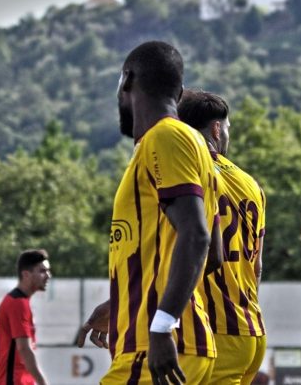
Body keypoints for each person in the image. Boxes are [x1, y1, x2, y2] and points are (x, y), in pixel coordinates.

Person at [75, 41, 221, 385]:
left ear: (126, 80)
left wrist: (162, 325)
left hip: (155, 344)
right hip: (171, 340)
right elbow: (212, 255)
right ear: (180, 92)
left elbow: (196, 236)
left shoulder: (165, 138)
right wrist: (122, 304)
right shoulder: (188, 146)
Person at [179, 89, 268, 385]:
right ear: (216, 129)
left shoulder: (187, 175)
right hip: (251, 328)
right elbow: (256, 267)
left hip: (214, 332)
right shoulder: (251, 184)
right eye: (228, 128)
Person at [0, 250, 51, 385]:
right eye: (42, 271)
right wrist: (42, 383)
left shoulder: (20, 301)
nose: (48, 276)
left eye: (48, 271)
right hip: (10, 380)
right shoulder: (18, 303)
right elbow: (24, 349)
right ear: (26, 274)